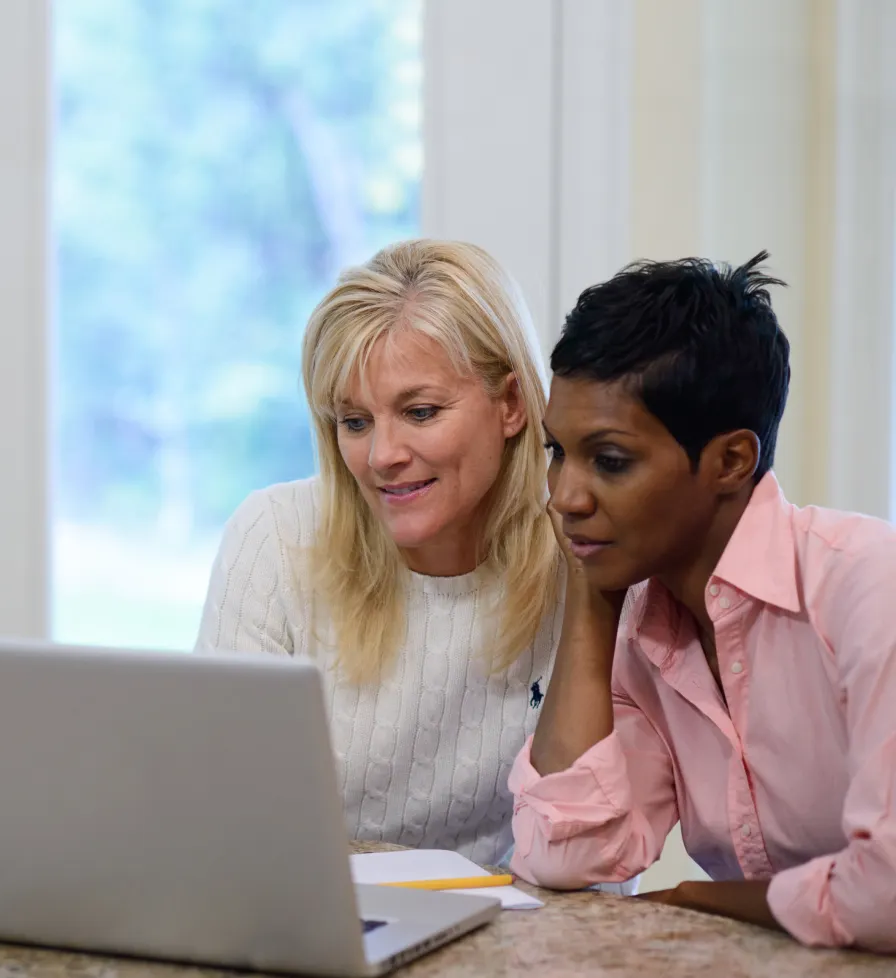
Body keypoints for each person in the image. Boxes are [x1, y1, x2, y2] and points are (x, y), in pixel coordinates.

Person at [510, 252, 896, 953]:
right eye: (557, 452)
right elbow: (562, 857)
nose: (563, 497)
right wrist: (592, 600)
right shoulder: (640, 626)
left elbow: (888, 893)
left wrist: (697, 898)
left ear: (731, 462)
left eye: (610, 460)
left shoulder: (870, 586)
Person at [196, 239, 563, 865]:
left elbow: (589, 863)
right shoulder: (275, 537)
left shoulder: (580, 562)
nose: (381, 456)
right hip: (310, 916)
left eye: (420, 412)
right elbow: (219, 811)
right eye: (355, 422)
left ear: (511, 404)